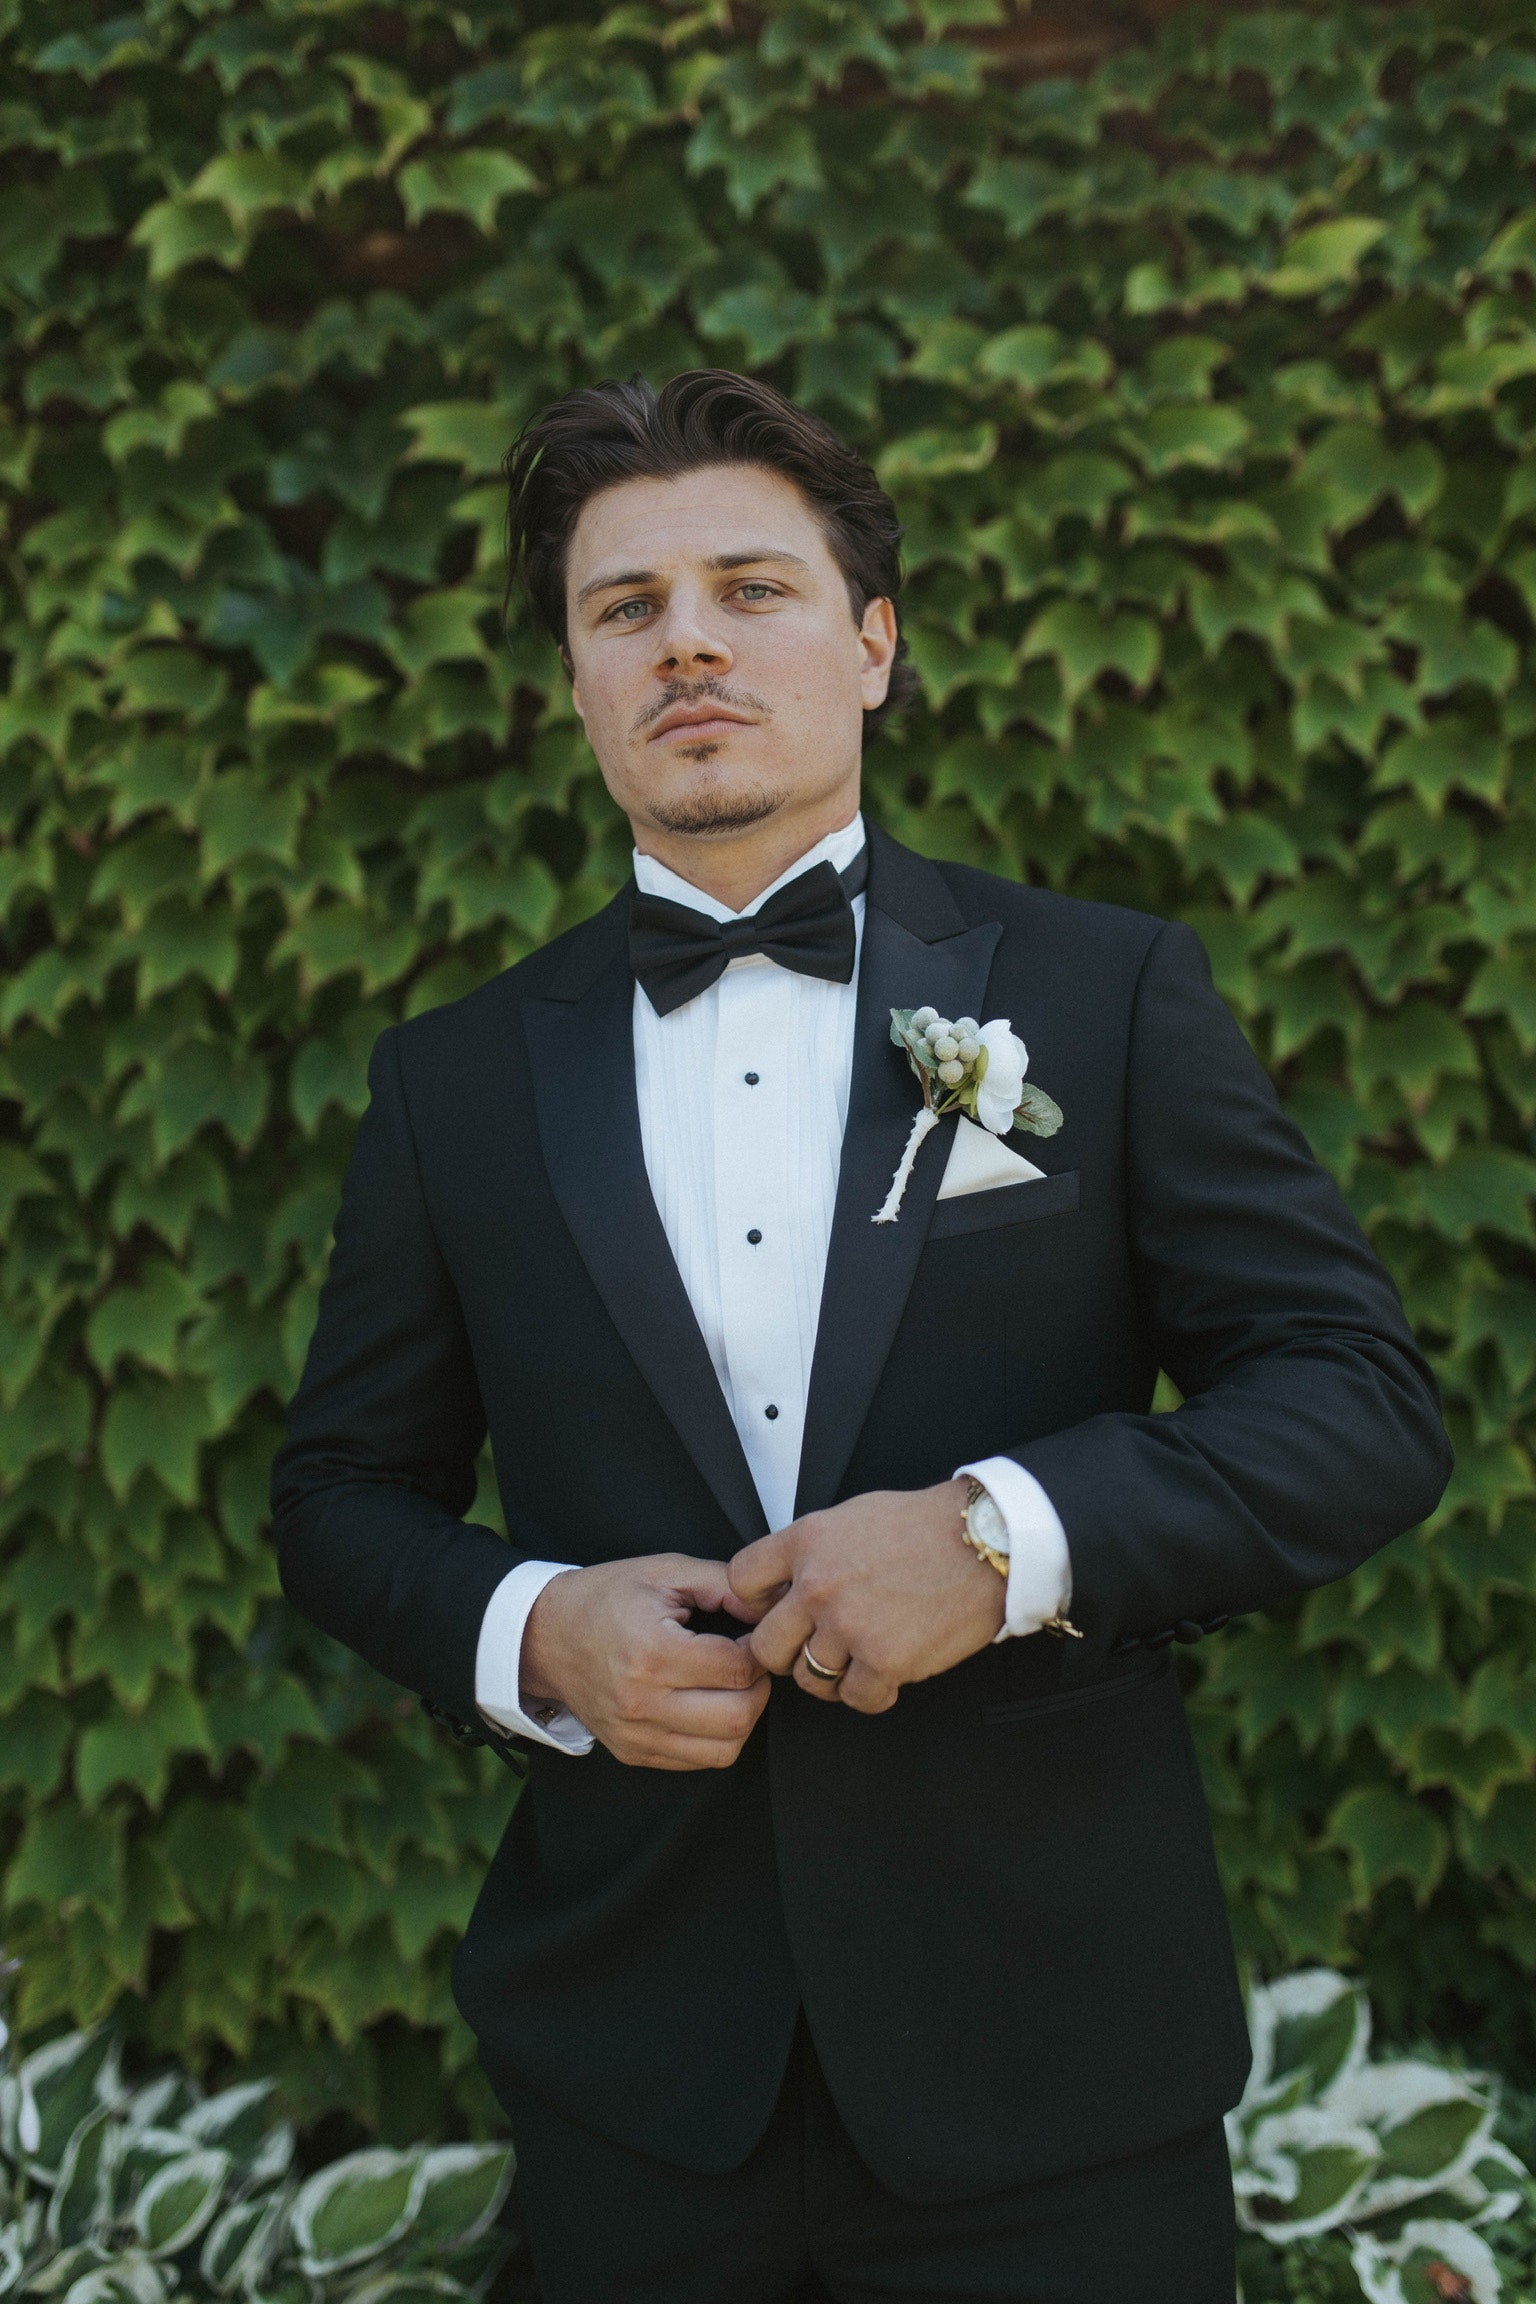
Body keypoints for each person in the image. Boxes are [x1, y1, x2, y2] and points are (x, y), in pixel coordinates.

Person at [270, 369, 1452, 2304]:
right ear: (576, 682)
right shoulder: (452, 1080)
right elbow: (337, 1494)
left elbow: (1357, 1404)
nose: (689, 644)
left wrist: (1001, 1540)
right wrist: (533, 1632)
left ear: (876, 645)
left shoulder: (1107, 992)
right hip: (639, 2088)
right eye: (627, 608)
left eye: (753, 588)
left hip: (1058, 2071)